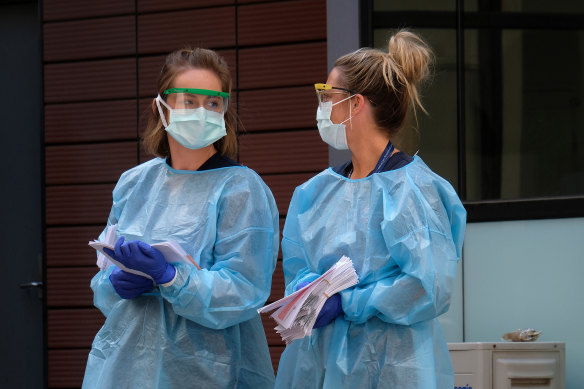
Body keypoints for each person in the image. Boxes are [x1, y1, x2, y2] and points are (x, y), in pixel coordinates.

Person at [274, 30, 466, 388]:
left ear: (356, 103)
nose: (322, 106)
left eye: (328, 95)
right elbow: (299, 270)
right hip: (318, 367)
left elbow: (429, 287)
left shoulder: (413, 189)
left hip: (393, 367)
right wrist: (304, 293)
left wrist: (349, 303)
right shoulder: (314, 193)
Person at [82, 48, 279, 388]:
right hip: (122, 368)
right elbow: (104, 276)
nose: (201, 112)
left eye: (213, 103)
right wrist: (114, 283)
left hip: (207, 371)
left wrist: (172, 278)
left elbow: (245, 291)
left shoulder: (241, 189)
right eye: (188, 101)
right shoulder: (134, 183)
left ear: (224, 109)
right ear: (162, 106)